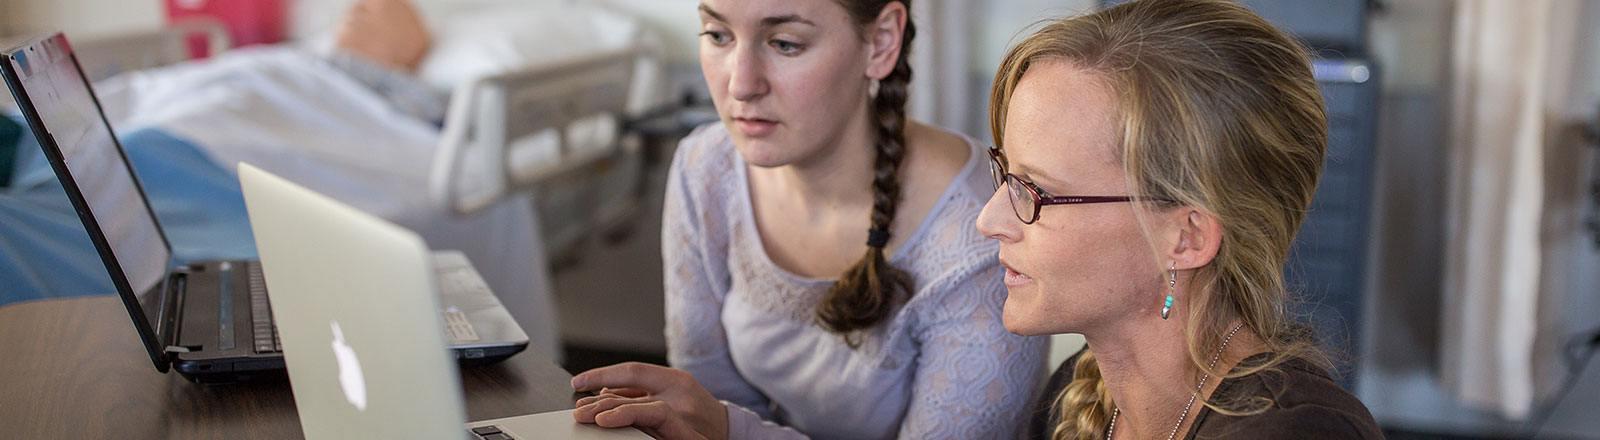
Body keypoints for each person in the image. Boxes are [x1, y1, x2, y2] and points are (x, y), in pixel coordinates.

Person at [570, 0, 1047, 438]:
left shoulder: (981, 235)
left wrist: (726, 427)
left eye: (784, 44)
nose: (741, 84)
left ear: (881, 42)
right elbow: (705, 395)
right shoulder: (706, 167)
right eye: (718, 36)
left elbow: (715, 422)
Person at [975, 0, 1384, 439]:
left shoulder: (1298, 432)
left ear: (1186, 237)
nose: (989, 219)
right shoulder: (1077, 394)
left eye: (1035, 191)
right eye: (1007, 174)